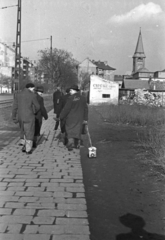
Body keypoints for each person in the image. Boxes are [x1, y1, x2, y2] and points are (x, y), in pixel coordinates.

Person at [12, 83, 40, 154]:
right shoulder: (33, 95)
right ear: (30, 88)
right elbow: (38, 107)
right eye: (33, 89)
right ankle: (28, 149)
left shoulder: (18, 95)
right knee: (29, 132)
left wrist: (14, 117)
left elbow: (14, 107)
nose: (33, 90)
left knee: (23, 131)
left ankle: (24, 146)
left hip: (21, 117)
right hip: (29, 117)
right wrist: (34, 112)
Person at [60, 84, 88, 151]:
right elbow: (86, 109)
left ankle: (70, 145)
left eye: (70, 90)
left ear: (73, 90)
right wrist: (85, 118)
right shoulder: (83, 98)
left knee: (70, 131)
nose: (70, 91)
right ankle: (77, 144)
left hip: (71, 118)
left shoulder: (71, 98)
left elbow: (66, 109)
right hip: (79, 118)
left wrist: (61, 116)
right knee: (78, 130)